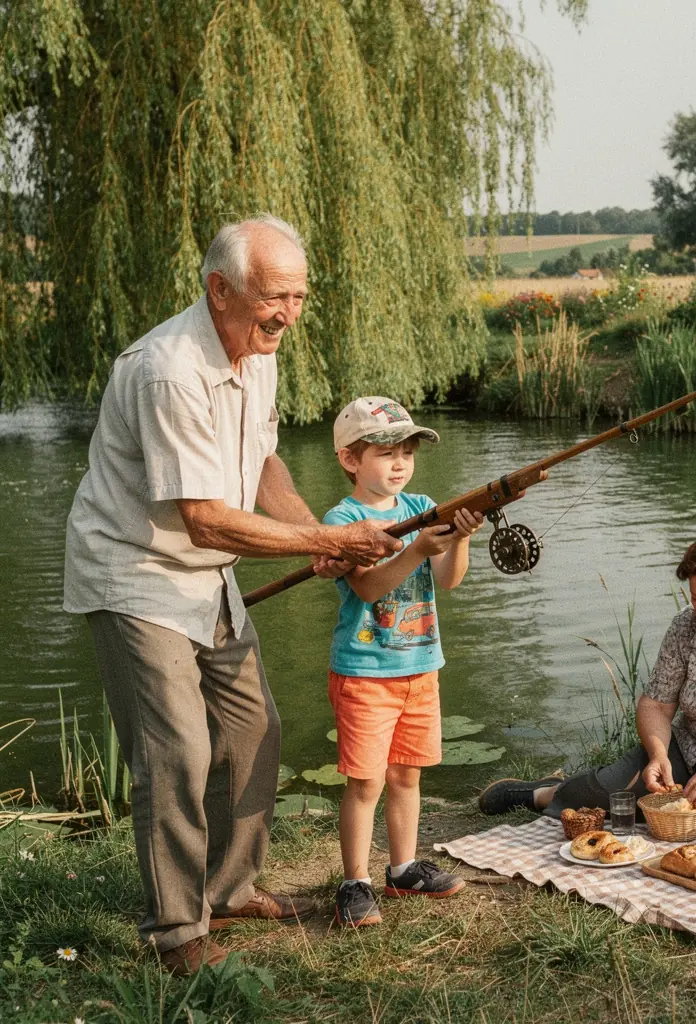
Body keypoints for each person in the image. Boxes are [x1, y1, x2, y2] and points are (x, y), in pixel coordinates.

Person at [63, 215, 402, 975]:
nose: (288, 313)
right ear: (220, 290)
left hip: (203, 572)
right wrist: (330, 544)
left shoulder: (258, 352)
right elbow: (205, 515)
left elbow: (262, 464)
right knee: (176, 752)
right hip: (136, 572)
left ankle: (231, 885)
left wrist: (316, 531)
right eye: (274, 297)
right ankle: (178, 934)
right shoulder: (167, 370)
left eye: (299, 297)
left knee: (254, 733)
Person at [478, 531, 696, 831]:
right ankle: (546, 793)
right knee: (606, 796)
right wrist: (658, 755)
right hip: (694, 751)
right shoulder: (686, 626)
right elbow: (657, 704)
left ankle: (677, 806)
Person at [324, 397, 484, 926]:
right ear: (350, 459)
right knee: (365, 782)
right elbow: (368, 588)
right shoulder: (342, 520)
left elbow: (449, 580)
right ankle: (355, 881)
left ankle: (403, 869)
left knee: (406, 777)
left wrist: (457, 539)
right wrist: (414, 549)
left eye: (407, 453)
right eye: (386, 451)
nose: (399, 463)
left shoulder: (423, 504)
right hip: (366, 672)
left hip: (421, 668)